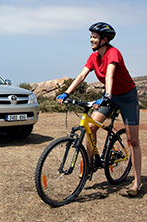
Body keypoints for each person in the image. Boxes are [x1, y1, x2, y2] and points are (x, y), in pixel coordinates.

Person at [56, 22, 142, 197]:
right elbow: (81, 76)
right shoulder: (93, 57)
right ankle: (90, 164)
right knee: (91, 127)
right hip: (110, 95)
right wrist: (66, 93)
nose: (91, 40)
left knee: (133, 141)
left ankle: (137, 181)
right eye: (91, 37)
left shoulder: (113, 53)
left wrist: (107, 94)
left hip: (127, 96)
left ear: (104, 39)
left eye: (95, 37)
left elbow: (110, 74)